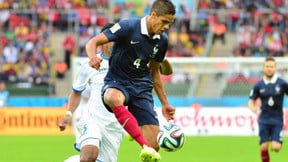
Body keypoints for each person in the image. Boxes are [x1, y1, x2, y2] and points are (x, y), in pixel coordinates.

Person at [85, 0, 176, 161]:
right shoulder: (127, 26)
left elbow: (155, 72)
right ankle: (141, 141)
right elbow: (93, 42)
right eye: (164, 22)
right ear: (153, 15)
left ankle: (137, 132)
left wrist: (165, 103)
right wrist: (92, 57)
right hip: (117, 81)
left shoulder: (162, 40)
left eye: (170, 23)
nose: (166, 27)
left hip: (141, 87)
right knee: (112, 97)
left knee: (155, 145)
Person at [59, 23, 125, 162]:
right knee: (89, 156)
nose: (114, 43)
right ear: (102, 42)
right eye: (111, 40)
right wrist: (68, 113)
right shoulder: (88, 65)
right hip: (92, 120)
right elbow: (76, 92)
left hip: (113, 127)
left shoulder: (128, 65)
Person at [248, 57, 288, 162]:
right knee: (264, 147)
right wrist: (254, 109)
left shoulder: (282, 84)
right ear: (263, 68)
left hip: (277, 120)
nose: (269, 69)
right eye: (267, 66)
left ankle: (274, 140)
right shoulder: (258, 85)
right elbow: (251, 101)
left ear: (275, 68)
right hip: (263, 120)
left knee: (276, 148)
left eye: (271, 66)